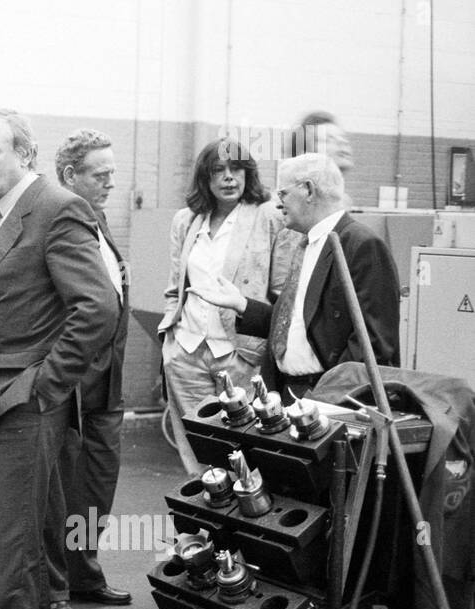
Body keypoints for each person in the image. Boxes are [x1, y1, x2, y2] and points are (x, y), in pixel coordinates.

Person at [0, 109, 117, 609]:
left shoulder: (55, 207)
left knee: (12, 555)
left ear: (24, 155)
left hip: (25, 404)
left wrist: (44, 385)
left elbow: (98, 307)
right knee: (7, 555)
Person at [187, 153, 400, 397]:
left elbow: (374, 345)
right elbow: (296, 324)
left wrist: (326, 400)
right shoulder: (307, 244)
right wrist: (242, 305)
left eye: (283, 194)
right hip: (291, 392)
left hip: (327, 399)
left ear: (308, 190)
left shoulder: (361, 245)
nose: (278, 204)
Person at [158, 138, 293, 477]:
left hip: (241, 355)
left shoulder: (268, 216)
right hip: (187, 351)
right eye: (218, 170)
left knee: (245, 448)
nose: (228, 178)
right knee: (198, 450)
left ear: (248, 174)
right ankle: (204, 524)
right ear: (205, 178)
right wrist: (169, 337)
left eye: (236, 169)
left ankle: (240, 524)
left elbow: (282, 293)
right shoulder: (186, 221)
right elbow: (175, 285)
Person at [41, 129, 132, 609]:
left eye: (113, 174)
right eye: (102, 175)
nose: (110, 184)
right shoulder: (56, 222)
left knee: (95, 491)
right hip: (71, 385)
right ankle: (53, 589)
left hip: (106, 388)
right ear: (71, 176)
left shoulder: (96, 224)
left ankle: (83, 574)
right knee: (57, 496)